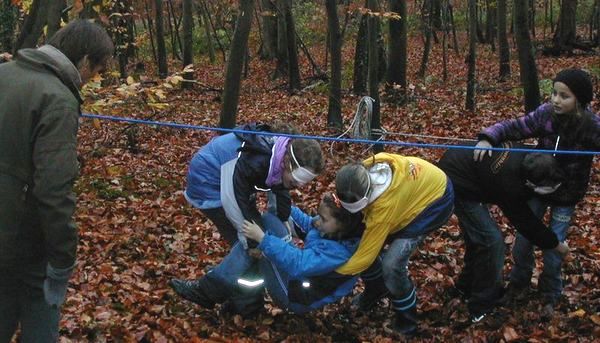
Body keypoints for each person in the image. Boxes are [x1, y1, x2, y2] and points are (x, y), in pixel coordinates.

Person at [0, 20, 114, 341]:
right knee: (41, 304)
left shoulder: (4, 73)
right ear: (84, 60)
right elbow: (53, 190)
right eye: (96, 69)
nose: (92, 79)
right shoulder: (58, 99)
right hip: (25, 237)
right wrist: (63, 258)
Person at [473, 68, 599, 316]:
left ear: (580, 101)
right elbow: (515, 127)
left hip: (567, 195)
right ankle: (519, 282)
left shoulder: (590, 125)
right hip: (538, 188)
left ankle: (551, 292)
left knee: (554, 245)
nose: (556, 100)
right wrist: (488, 137)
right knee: (523, 239)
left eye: (564, 96)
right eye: (554, 93)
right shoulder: (546, 114)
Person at [171, 124, 324, 313]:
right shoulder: (255, 159)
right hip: (209, 183)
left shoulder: (280, 154)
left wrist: (282, 218)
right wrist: (252, 242)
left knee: (257, 242)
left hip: (235, 186)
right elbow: (232, 199)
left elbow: (280, 189)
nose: (297, 187)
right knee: (247, 247)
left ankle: (244, 302)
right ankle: (214, 294)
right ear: (286, 163)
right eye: (294, 182)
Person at [438, 142, 569, 323]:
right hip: (457, 182)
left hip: (471, 171)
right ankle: (481, 305)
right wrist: (556, 244)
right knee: (492, 241)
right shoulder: (509, 183)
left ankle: (465, 285)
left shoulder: (532, 155)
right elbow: (525, 222)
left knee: (478, 240)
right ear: (530, 183)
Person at [169, 193, 364, 314]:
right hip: (296, 283)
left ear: (343, 225)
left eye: (323, 218)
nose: (317, 221)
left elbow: (299, 264)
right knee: (267, 225)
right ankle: (245, 303)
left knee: (262, 241)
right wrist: (280, 201)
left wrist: (263, 240)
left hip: (296, 296)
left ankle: (208, 290)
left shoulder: (340, 252)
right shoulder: (329, 229)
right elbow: (304, 223)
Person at [334, 153, 455, 335]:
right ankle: (376, 289)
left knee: (392, 265)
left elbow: (365, 256)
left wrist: (332, 275)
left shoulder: (383, 205)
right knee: (359, 237)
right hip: (411, 192)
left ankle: (407, 320)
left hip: (435, 200)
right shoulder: (361, 170)